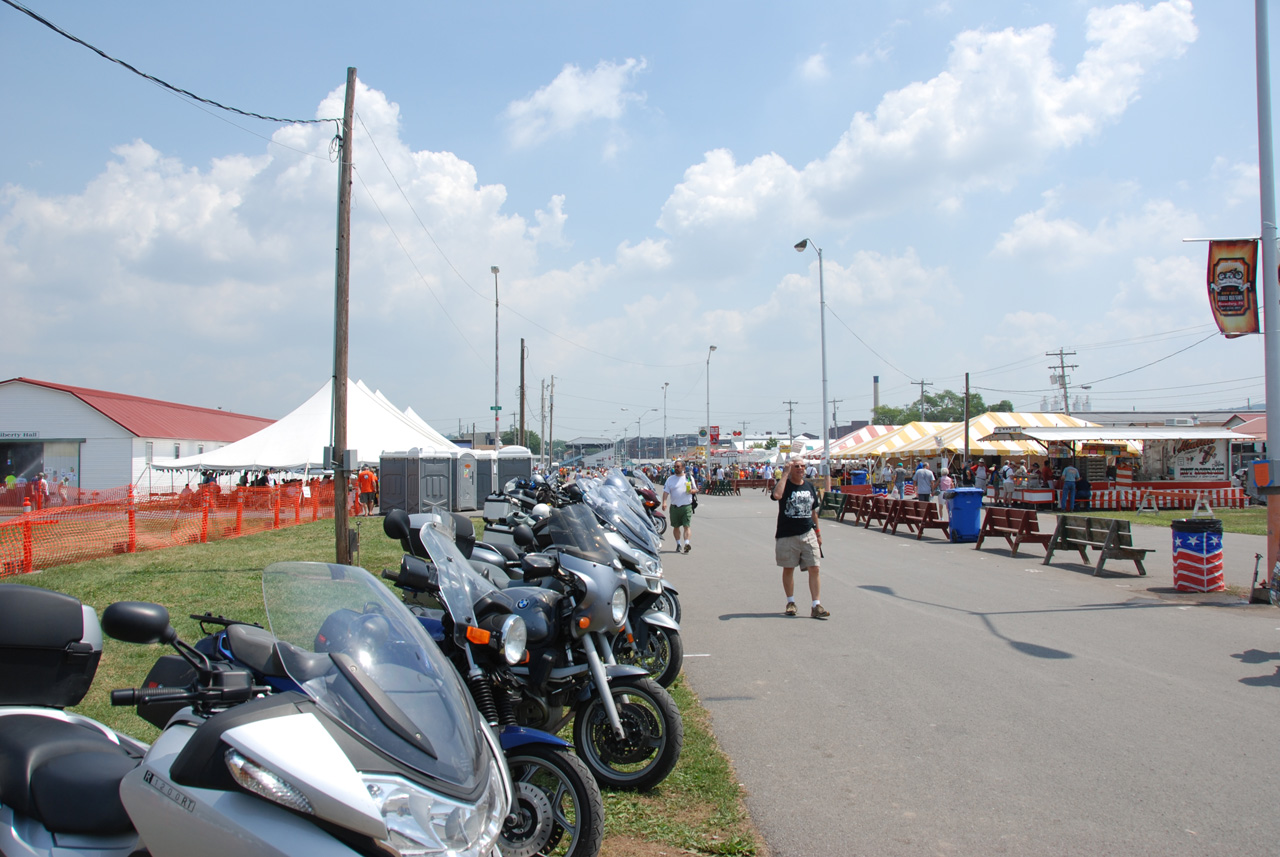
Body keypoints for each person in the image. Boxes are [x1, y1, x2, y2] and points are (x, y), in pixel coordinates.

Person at [772, 455, 828, 619]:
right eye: (797, 466)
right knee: (788, 568)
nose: (801, 469)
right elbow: (776, 495)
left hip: (808, 532)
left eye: (803, 466)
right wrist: (784, 475)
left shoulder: (809, 486)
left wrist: (818, 533)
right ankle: (791, 602)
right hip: (787, 534)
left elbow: (813, 512)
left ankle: (816, 605)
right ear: (791, 469)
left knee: (815, 567)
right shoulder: (785, 485)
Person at [661, 459, 698, 553]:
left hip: (686, 506)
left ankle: (686, 544)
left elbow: (696, 489)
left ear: (683, 467)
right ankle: (678, 544)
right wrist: (664, 502)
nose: (676, 468)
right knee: (676, 527)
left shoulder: (688, 477)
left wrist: (692, 491)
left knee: (686, 526)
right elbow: (666, 492)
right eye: (675, 467)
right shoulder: (670, 479)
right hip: (674, 507)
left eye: (678, 466)